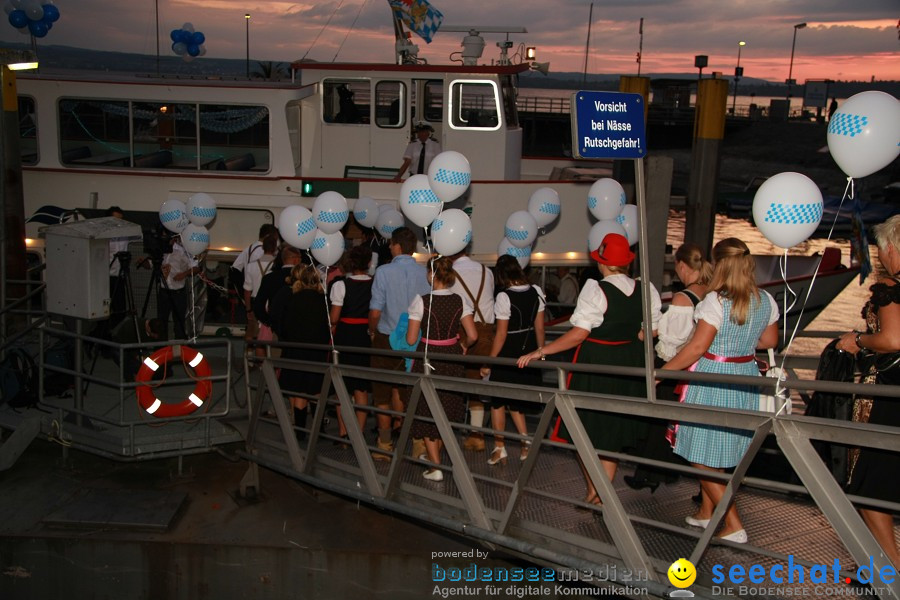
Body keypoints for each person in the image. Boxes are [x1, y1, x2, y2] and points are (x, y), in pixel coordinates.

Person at [517, 233, 662, 506]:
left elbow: (578, 335)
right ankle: (597, 494)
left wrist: (542, 350)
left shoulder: (596, 289)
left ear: (602, 263)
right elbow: (651, 331)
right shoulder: (646, 289)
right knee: (610, 433)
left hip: (597, 363)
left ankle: (598, 494)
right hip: (630, 364)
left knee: (585, 430)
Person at [661, 238, 779, 545]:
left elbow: (697, 348)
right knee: (722, 447)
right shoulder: (765, 299)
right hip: (744, 377)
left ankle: (733, 521)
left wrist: (663, 372)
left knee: (697, 449)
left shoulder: (716, 301)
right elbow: (769, 342)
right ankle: (706, 512)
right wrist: (741, 343)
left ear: (720, 264)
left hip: (712, 377)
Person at [836, 215, 900, 568]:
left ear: (891, 248)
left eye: (880, 248)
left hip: (890, 396)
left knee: (869, 486)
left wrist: (857, 341)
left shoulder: (890, 288)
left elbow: (892, 340)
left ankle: (889, 570)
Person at [626, 242, 713, 492]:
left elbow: (671, 340)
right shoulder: (707, 292)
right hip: (693, 366)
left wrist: (649, 335)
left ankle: (648, 474)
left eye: (676, 266)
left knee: (656, 420)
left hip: (672, 363)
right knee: (675, 422)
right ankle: (667, 472)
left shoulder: (682, 298)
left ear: (683, 266)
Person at [406, 257, 478, 481]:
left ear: (430, 274)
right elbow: (473, 335)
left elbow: (410, 340)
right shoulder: (460, 300)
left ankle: (436, 467)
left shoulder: (421, 301)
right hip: (453, 357)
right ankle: (436, 457)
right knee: (446, 406)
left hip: (428, 357)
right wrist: (462, 345)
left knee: (426, 409)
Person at [368, 227, 430, 460]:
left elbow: (375, 310)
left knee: (382, 392)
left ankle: (384, 445)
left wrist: (371, 330)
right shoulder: (424, 273)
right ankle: (417, 444)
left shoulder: (383, 272)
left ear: (396, 246)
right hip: (414, 339)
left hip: (386, 337)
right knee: (412, 392)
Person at [480, 255, 545, 465]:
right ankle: (525, 445)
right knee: (516, 402)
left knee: (498, 402)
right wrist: (541, 352)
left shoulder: (504, 297)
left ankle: (500, 448)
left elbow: (500, 334)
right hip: (529, 351)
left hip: (508, 352)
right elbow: (540, 327)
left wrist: (490, 361)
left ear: (500, 274)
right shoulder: (537, 291)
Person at [274, 264, 331, 441]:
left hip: (296, 350)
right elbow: (327, 327)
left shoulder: (292, 299)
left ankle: (300, 431)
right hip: (318, 350)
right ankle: (319, 430)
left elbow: (284, 326)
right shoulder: (324, 301)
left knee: (299, 391)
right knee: (316, 391)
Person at [449, 249, 495, 452]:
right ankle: (476, 433)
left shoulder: (449, 273)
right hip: (486, 331)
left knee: (453, 381)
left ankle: (451, 432)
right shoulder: (487, 271)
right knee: (478, 383)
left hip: (461, 330)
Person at [329, 245, 374, 443]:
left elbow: (334, 318)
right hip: (365, 336)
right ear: (369, 264)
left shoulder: (341, 285)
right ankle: (360, 431)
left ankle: (343, 431)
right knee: (361, 387)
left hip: (345, 336)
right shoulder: (375, 284)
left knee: (343, 387)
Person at [243, 235, 278, 358]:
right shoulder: (276, 267)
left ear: (263, 247)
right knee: (267, 335)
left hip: (254, 302)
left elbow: (247, 290)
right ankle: (265, 362)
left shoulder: (252, 266)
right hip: (270, 303)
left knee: (251, 332)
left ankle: (249, 357)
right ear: (275, 248)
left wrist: (248, 309)